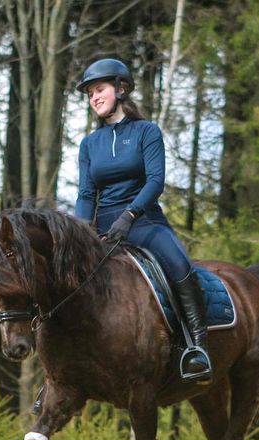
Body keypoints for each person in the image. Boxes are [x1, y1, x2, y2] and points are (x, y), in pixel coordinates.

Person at [74, 58, 212, 382]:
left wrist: (130, 215)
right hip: (102, 228)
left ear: (121, 89)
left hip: (144, 220)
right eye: (90, 93)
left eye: (100, 89)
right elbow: (85, 195)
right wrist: (81, 234)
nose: (94, 97)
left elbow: (155, 182)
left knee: (180, 266)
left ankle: (196, 348)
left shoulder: (146, 131)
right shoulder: (89, 144)